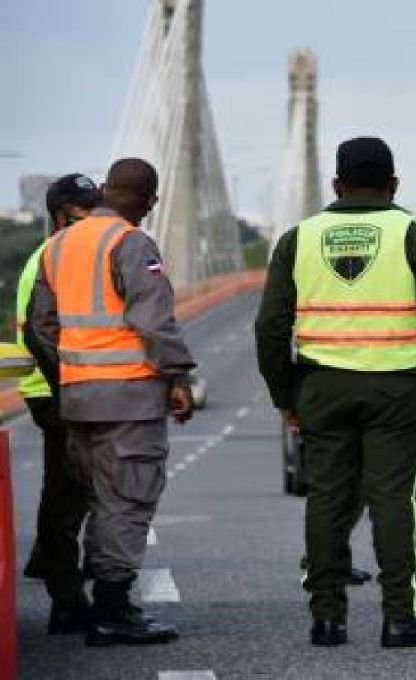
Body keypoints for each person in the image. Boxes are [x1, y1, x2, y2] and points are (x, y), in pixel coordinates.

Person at [255, 136, 416, 648]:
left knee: (327, 499)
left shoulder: (298, 238)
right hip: (398, 388)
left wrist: (286, 398)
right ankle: (402, 617)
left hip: (322, 387)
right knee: (395, 499)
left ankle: (327, 619)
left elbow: (269, 327)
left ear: (336, 184)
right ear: (394, 184)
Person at [25, 158, 196, 647]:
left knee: (100, 500)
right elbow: (154, 319)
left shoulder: (57, 246)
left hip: (78, 398)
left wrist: (73, 373)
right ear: (149, 201)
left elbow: (40, 326)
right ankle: (113, 609)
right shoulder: (131, 242)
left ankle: (102, 604)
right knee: (128, 500)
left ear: (104, 188)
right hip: (130, 397)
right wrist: (177, 376)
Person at [16, 174, 100, 634]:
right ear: (63, 216)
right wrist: (73, 387)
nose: (96, 218)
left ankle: (47, 562)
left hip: (62, 387)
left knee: (68, 491)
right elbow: (40, 332)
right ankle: (66, 600)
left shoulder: (64, 253)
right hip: (56, 390)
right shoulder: (53, 257)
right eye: (87, 211)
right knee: (68, 495)